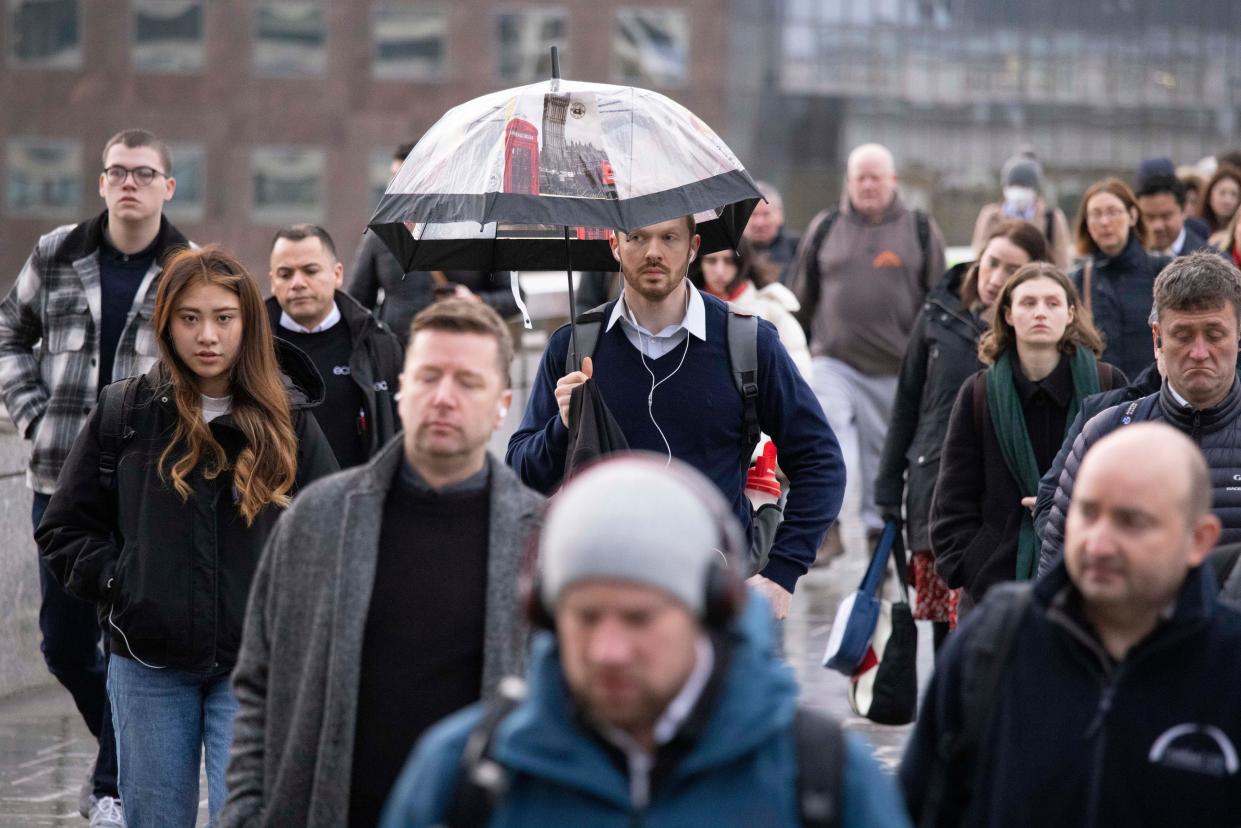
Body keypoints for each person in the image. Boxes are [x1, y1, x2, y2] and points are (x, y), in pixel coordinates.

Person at [380, 455, 913, 828]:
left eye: (639, 619)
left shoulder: (823, 779)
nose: (609, 650)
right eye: (586, 618)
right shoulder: (461, 776)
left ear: (706, 612)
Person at [36, 247, 338, 828]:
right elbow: (64, 526)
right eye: (190, 317)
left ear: (247, 322)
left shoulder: (288, 416)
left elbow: (333, 529)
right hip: (148, 662)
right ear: (167, 323)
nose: (207, 335)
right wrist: (120, 579)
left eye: (224, 317)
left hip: (254, 664)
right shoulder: (127, 410)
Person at [221, 299, 543, 828]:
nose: (444, 397)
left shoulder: (544, 543)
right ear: (402, 388)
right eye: (428, 376)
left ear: (502, 404)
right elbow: (259, 683)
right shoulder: (317, 520)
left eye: (467, 382)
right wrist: (245, 813)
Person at [902, 423, 1241, 827]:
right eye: (1088, 512)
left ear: (1199, 541)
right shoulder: (992, 645)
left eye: (1131, 521)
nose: (1098, 543)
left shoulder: (1229, 669)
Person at [507, 216, 844, 619]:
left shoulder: (747, 342)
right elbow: (520, 477)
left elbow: (820, 461)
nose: (653, 252)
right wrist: (562, 427)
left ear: (693, 247)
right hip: (603, 599)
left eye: (669, 238)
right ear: (615, 246)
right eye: (637, 237)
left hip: (715, 599)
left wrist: (782, 572)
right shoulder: (574, 347)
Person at [0, 127, 192, 826]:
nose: (129, 183)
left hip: (148, 482)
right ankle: (122, 750)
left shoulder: (188, 267)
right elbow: (8, 331)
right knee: (64, 641)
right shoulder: (57, 253)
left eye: (144, 172)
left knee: (128, 637)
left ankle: (114, 785)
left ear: (168, 186)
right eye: (117, 171)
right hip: (59, 474)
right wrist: (31, 413)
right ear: (102, 183)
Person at [876, 221, 1050, 648]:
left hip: (1001, 503)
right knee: (945, 632)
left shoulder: (1033, 330)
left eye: (1011, 270)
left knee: (987, 630)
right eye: (991, 262)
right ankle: (946, 713)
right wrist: (886, 487)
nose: (995, 278)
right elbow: (907, 402)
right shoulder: (937, 311)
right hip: (934, 487)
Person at [931, 263, 1123, 612]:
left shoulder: (1108, 385)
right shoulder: (980, 394)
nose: (1040, 313)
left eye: (1052, 303)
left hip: (1091, 578)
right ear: (1007, 313)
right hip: (996, 586)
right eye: (1028, 303)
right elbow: (952, 498)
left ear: (1069, 314)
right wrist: (973, 566)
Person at [1040, 251, 1241, 572]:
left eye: (1215, 335)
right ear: (1157, 338)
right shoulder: (1105, 435)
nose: (1200, 352)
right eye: (1182, 336)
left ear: (1239, 335)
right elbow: (1057, 578)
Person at [791, 142, 946, 549]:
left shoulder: (920, 228)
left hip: (897, 368)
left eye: (876, 176)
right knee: (827, 432)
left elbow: (941, 301)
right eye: (860, 176)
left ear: (893, 181)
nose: (868, 184)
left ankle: (879, 532)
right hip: (834, 361)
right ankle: (831, 523)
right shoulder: (825, 226)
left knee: (881, 456)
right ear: (849, 181)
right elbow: (801, 296)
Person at [347, 143, 524, 342]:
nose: (397, 185)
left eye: (408, 177)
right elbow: (357, 302)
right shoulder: (383, 233)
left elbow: (515, 299)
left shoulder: (478, 228)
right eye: (393, 177)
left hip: (460, 346)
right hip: (397, 356)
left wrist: (474, 301)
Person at [267, 224, 403, 468]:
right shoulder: (249, 346)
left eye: (310, 271)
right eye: (285, 274)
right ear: (272, 282)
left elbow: (397, 432)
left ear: (337, 274)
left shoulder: (378, 343)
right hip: (277, 500)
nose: (298, 283)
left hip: (356, 498)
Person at [1070, 177, 1170, 379]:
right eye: (1095, 215)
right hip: (1104, 396)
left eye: (1113, 212)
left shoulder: (1163, 271)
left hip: (1156, 393)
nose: (1105, 222)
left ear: (1133, 216)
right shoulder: (1078, 281)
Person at [689, 236, 811, 379]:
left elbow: (797, 360)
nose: (719, 271)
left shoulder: (768, 304)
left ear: (741, 263)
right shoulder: (686, 306)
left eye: (729, 261)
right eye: (711, 261)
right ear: (699, 263)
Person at [970, 153, 1071, 270]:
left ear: (1034, 189)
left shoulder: (1051, 217)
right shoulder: (991, 216)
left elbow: (1061, 261)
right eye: (1013, 185)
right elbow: (979, 256)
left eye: (1024, 185)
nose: (1018, 191)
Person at [1136, 173, 1210, 257]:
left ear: (1184, 211)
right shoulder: (1126, 257)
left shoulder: (1210, 261)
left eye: (1166, 216)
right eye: (1149, 217)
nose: (1157, 226)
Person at [743, 181, 801, 286]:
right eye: (753, 214)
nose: (759, 223)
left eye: (766, 214)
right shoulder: (730, 253)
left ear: (780, 215)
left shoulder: (799, 248)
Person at [1201, 163, 1241, 244]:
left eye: (1234, 194)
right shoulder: (1197, 228)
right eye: (1222, 193)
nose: (1228, 200)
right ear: (1209, 195)